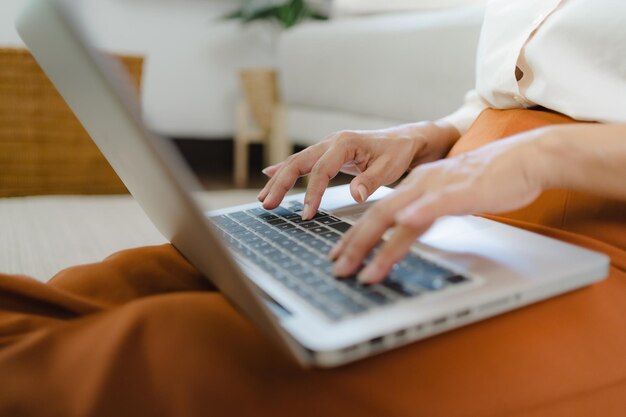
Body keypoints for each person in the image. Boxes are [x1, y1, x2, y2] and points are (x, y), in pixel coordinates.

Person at [1, 1, 625, 416]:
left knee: (169, 358)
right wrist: (430, 133)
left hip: (602, 243)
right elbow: (524, 87)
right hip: (456, 198)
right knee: (79, 295)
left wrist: (542, 155)